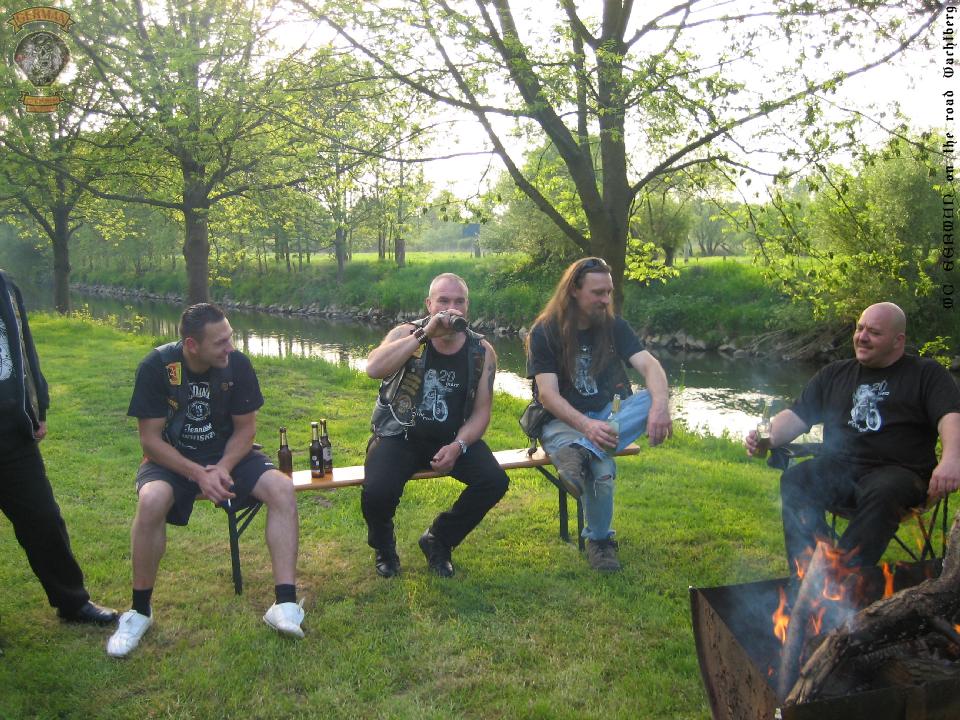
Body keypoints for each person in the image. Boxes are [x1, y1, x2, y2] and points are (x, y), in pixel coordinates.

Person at [107, 303, 303, 658]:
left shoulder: (237, 364)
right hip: (171, 458)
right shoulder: (156, 367)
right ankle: (139, 611)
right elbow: (150, 441)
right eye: (220, 342)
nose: (230, 347)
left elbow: (246, 430)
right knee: (151, 500)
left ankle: (285, 604)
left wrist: (222, 467)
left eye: (230, 337)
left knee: (281, 487)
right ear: (191, 345)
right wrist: (197, 472)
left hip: (229, 455)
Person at [745, 302, 960, 577]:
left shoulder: (925, 374)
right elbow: (797, 415)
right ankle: (809, 574)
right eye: (860, 328)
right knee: (796, 480)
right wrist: (767, 438)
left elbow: (950, 416)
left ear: (898, 340)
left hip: (901, 474)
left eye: (874, 332)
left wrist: (952, 459)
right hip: (841, 469)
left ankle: (839, 580)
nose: (862, 337)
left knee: (883, 491)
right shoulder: (835, 374)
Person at [525, 257, 673, 571]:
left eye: (609, 292)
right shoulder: (545, 331)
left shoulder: (614, 326)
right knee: (601, 471)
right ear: (574, 290)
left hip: (607, 415)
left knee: (653, 395)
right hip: (561, 420)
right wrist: (587, 426)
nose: (606, 300)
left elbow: (650, 366)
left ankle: (581, 451)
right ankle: (600, 542)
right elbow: (548, 396)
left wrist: (660, 407)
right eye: (597, 293)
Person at [363, 273, 508, 578]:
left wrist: (458, 446)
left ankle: (438, 539)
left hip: (450, 437)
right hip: (400, 435)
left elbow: (481, 412)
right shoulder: (406, 333)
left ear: (467, 307)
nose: (451, 308)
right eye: (443, 301)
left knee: (494, 481)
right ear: (429, 304)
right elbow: (373, 368)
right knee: (377, 492)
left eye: (459, 301)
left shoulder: (481, 351)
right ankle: (384, 547)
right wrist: (424, 334)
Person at [0, 270, 118, 627]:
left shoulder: (6, 285)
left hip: (13, 432)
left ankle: (72, 602)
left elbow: (24, 351)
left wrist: (38, 407)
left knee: (43, 518)